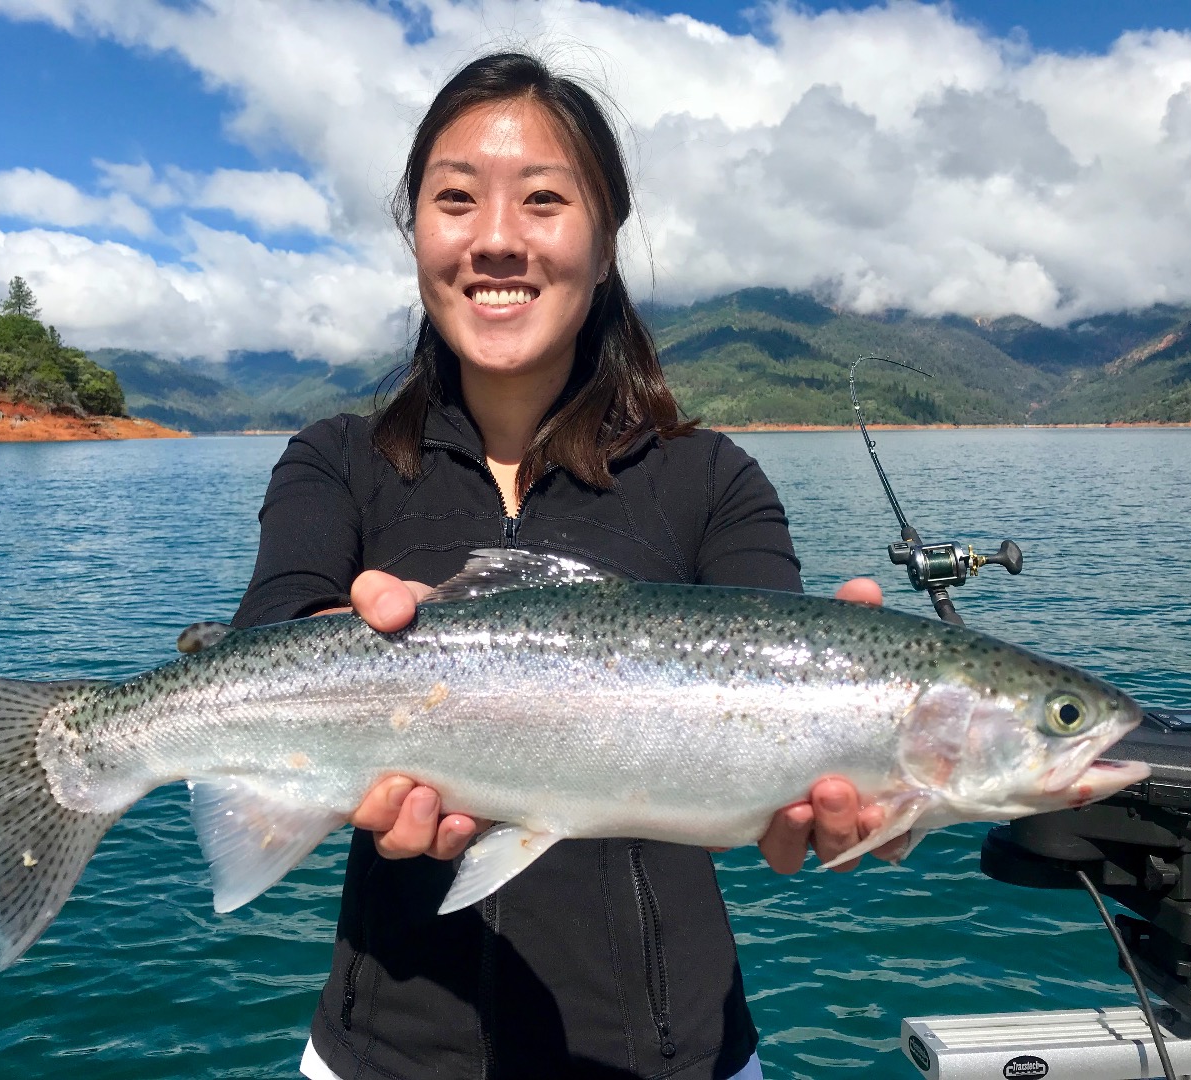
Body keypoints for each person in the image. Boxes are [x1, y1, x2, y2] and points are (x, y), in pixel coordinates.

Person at [232, 51, 898, 1080]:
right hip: (379, 1057)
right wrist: (328, 660)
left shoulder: (711, 480)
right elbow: (265, 644)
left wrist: (851, 772)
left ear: (605, 239)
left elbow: (781, 703)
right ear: (418, 235)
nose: (497, 239)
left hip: (676, 1060)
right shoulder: (335, 463)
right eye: (455, 200)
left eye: (543, 200)